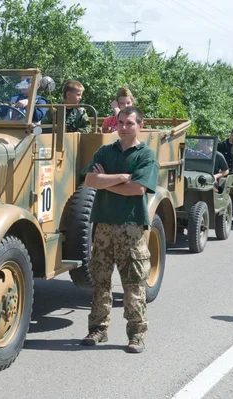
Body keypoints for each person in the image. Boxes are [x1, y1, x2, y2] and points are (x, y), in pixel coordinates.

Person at [80, 105, 159, 354]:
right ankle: (98, 329)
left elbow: (137, 190)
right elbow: (90, 180)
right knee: (101, 282)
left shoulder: (145, 156)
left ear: (140, 126)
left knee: (133, 284)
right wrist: (122, 177)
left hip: (131, 228)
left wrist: (107, 182)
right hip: (103, 226)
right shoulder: (105, 151)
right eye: (121, 123)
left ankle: (136, 335)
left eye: (130, 123)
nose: (124, 128)